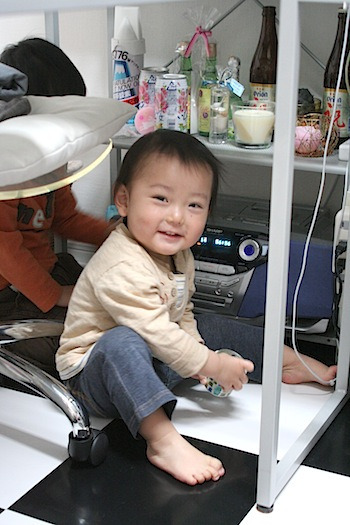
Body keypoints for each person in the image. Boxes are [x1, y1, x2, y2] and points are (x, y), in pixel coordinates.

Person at [56, 129, 337, 486]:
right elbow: (153, 332)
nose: (177, 217)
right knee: (121, 342)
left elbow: (179, 312)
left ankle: (286, 358)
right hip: (95, 375)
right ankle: (161, 440)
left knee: (208, 325)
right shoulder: (120, 264)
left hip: (154, 355)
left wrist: (199, 354)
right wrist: (211, 363)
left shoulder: (178, 255)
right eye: (160, 198)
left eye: (194, 205)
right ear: (124, 201)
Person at [0, 37, 113, 376]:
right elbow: (5, 248)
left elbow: (66, 217)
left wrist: (114, 235)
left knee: (117, 307)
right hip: (10, 294)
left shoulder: (49, 168)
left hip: (45, 272)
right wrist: (55, 295)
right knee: (78, 340)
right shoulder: (8, 175)